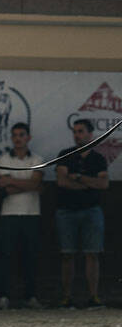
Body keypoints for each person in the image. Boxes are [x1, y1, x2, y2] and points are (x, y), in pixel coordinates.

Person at [55, 118, 108, 309]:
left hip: (91, 211)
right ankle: (66, 297)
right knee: (67, 254)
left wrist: (77, 177)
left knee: (92, 254)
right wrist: (88, 183)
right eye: (75, 131)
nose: (77, 135)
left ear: (90, 134)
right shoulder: (65, 155)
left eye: (81, 131)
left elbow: (103, 184)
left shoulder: (98, 158)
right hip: (66, 211)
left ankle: (93, 297)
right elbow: (62, 181)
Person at [0, 123, 44, 310]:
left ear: (28, 137)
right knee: (5, 257)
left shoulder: (38, 159)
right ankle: (3, 296)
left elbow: (36, 184)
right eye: (14, 135)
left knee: (30, 257)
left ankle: (30, 296)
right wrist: (30, 184)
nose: (18, 138)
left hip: (32, 214)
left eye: (21, 135)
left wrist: (13, 181)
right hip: (9, 214)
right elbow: (6, 188)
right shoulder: (4, 159)